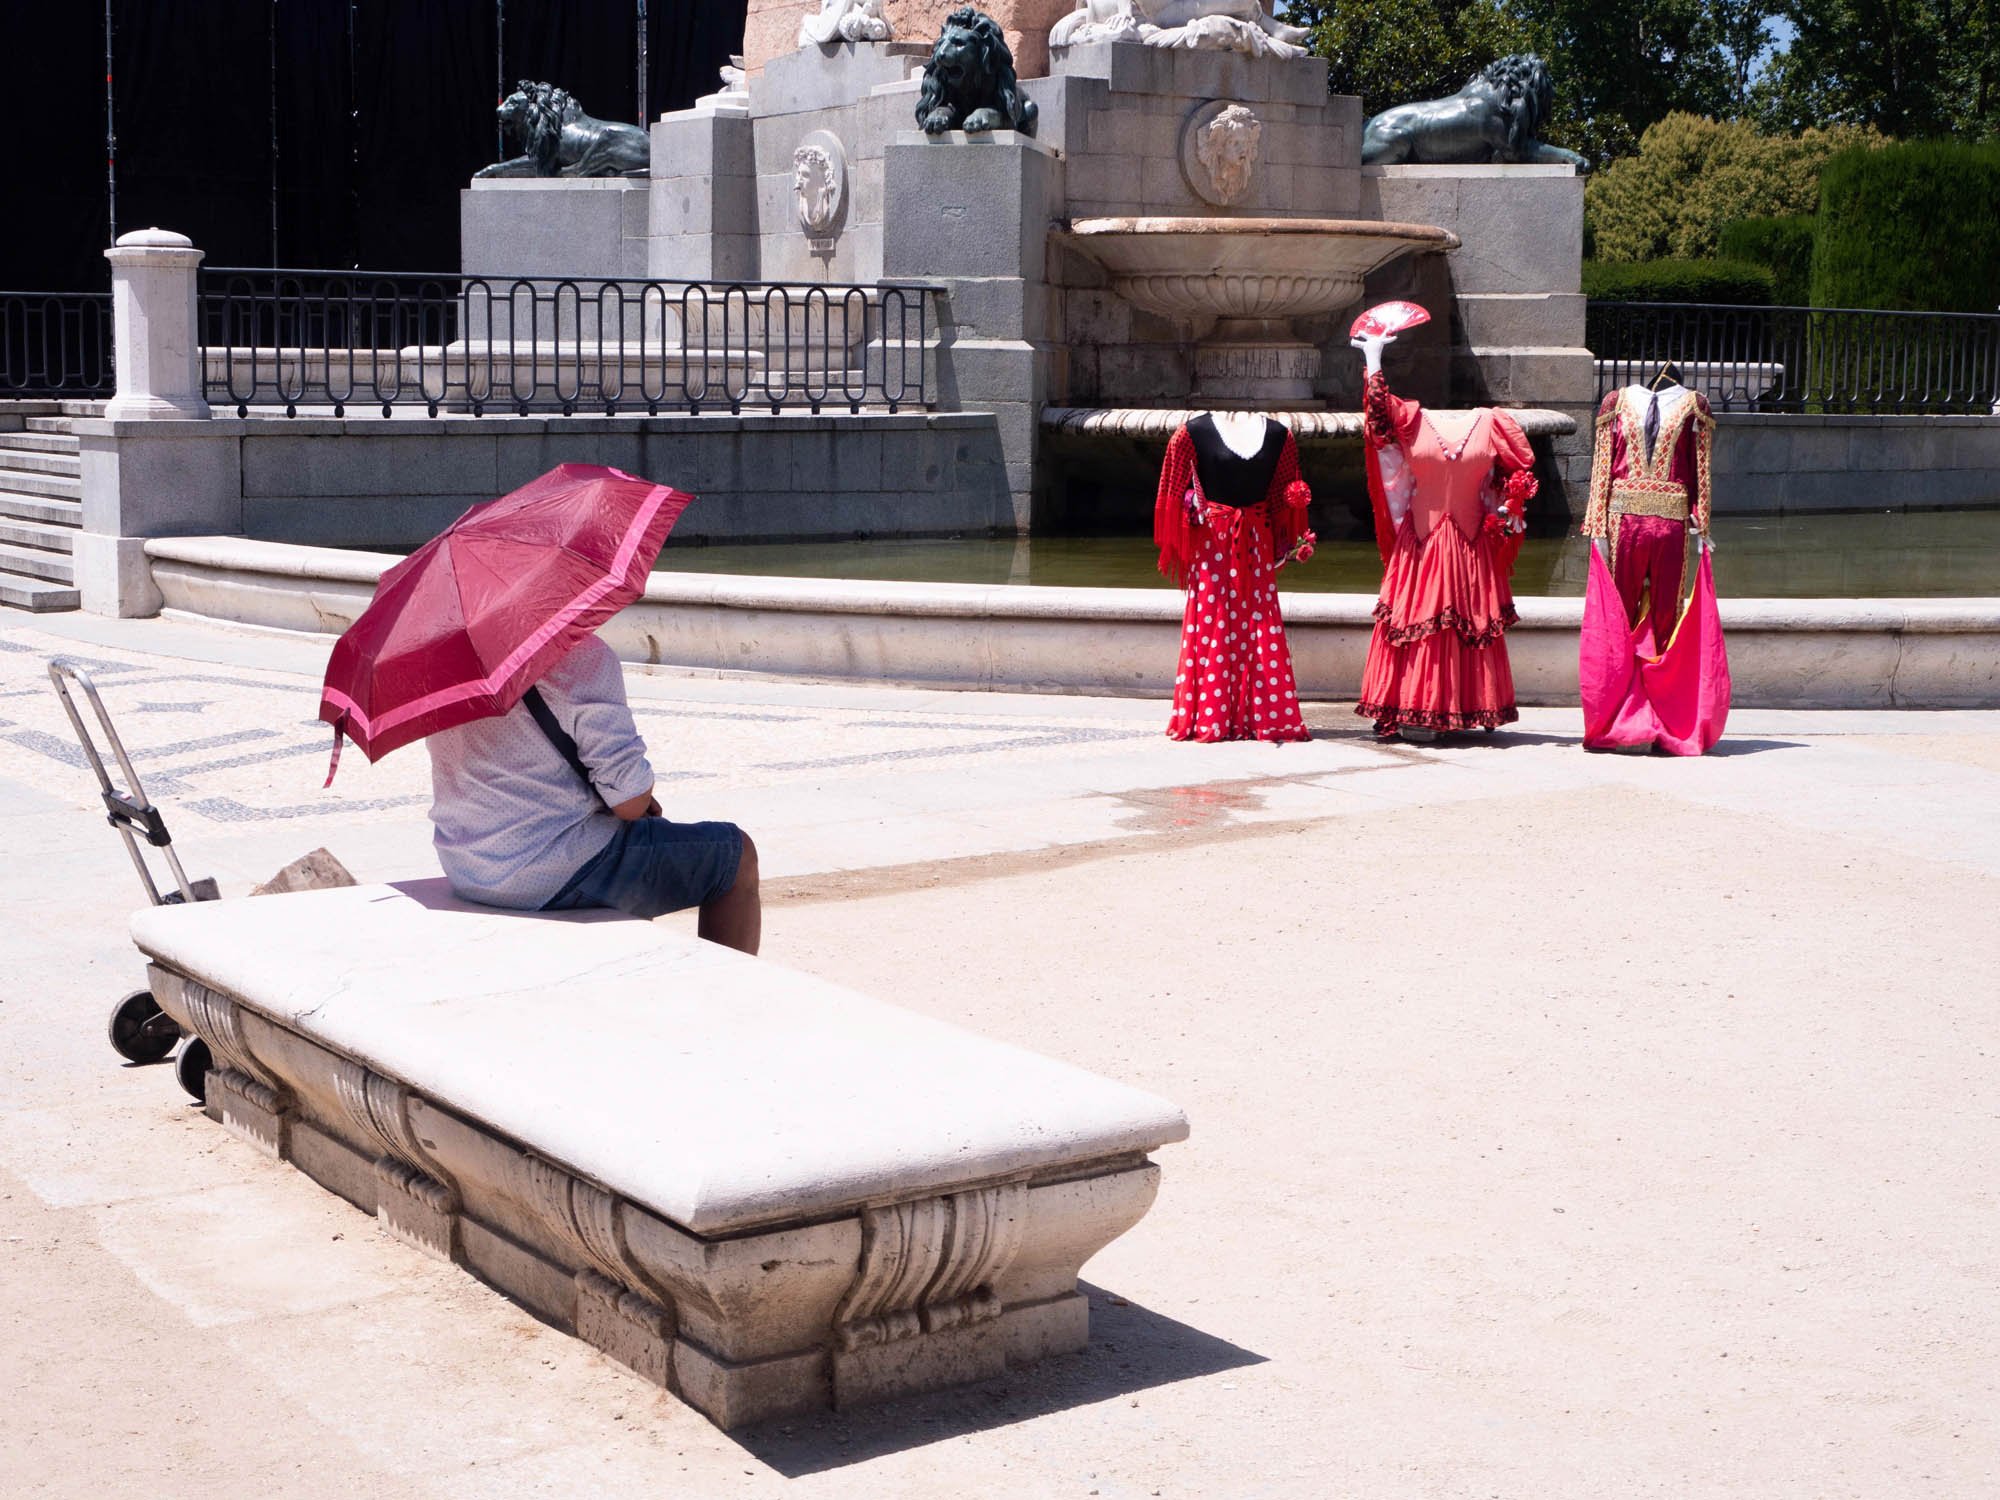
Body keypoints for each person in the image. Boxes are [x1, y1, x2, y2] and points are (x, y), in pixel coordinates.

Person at [424, 633, 760, 953]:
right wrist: (637, 793)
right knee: (736, 855)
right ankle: (731, 1001)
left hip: (467, 865)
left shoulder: (446, 664)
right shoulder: (580, 656)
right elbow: (630, 802)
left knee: (643, 840)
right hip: (552, 870)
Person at [1351, 326, 1539, 739]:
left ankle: (1461, 709)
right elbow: (1377, 421)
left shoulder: (1493, 424)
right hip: (1420, 543)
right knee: (1420, 625)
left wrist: (1511, 507)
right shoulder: (1408, 421)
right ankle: (1414, 708)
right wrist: (1374, 361)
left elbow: (1520, 471)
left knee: (1462, 626)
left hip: (1471, 543)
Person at [1153, 410, 1316, 742]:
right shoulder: (1191, 432)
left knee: (1261, 622)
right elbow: (1171, 489)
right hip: (1212, 542)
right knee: (1212, 622)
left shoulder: (1278, 436)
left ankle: (1263, 718)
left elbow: (1285, 495)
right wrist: (1191, 510)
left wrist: (1288, 543)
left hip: (1256, 539)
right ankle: (1210, 717)